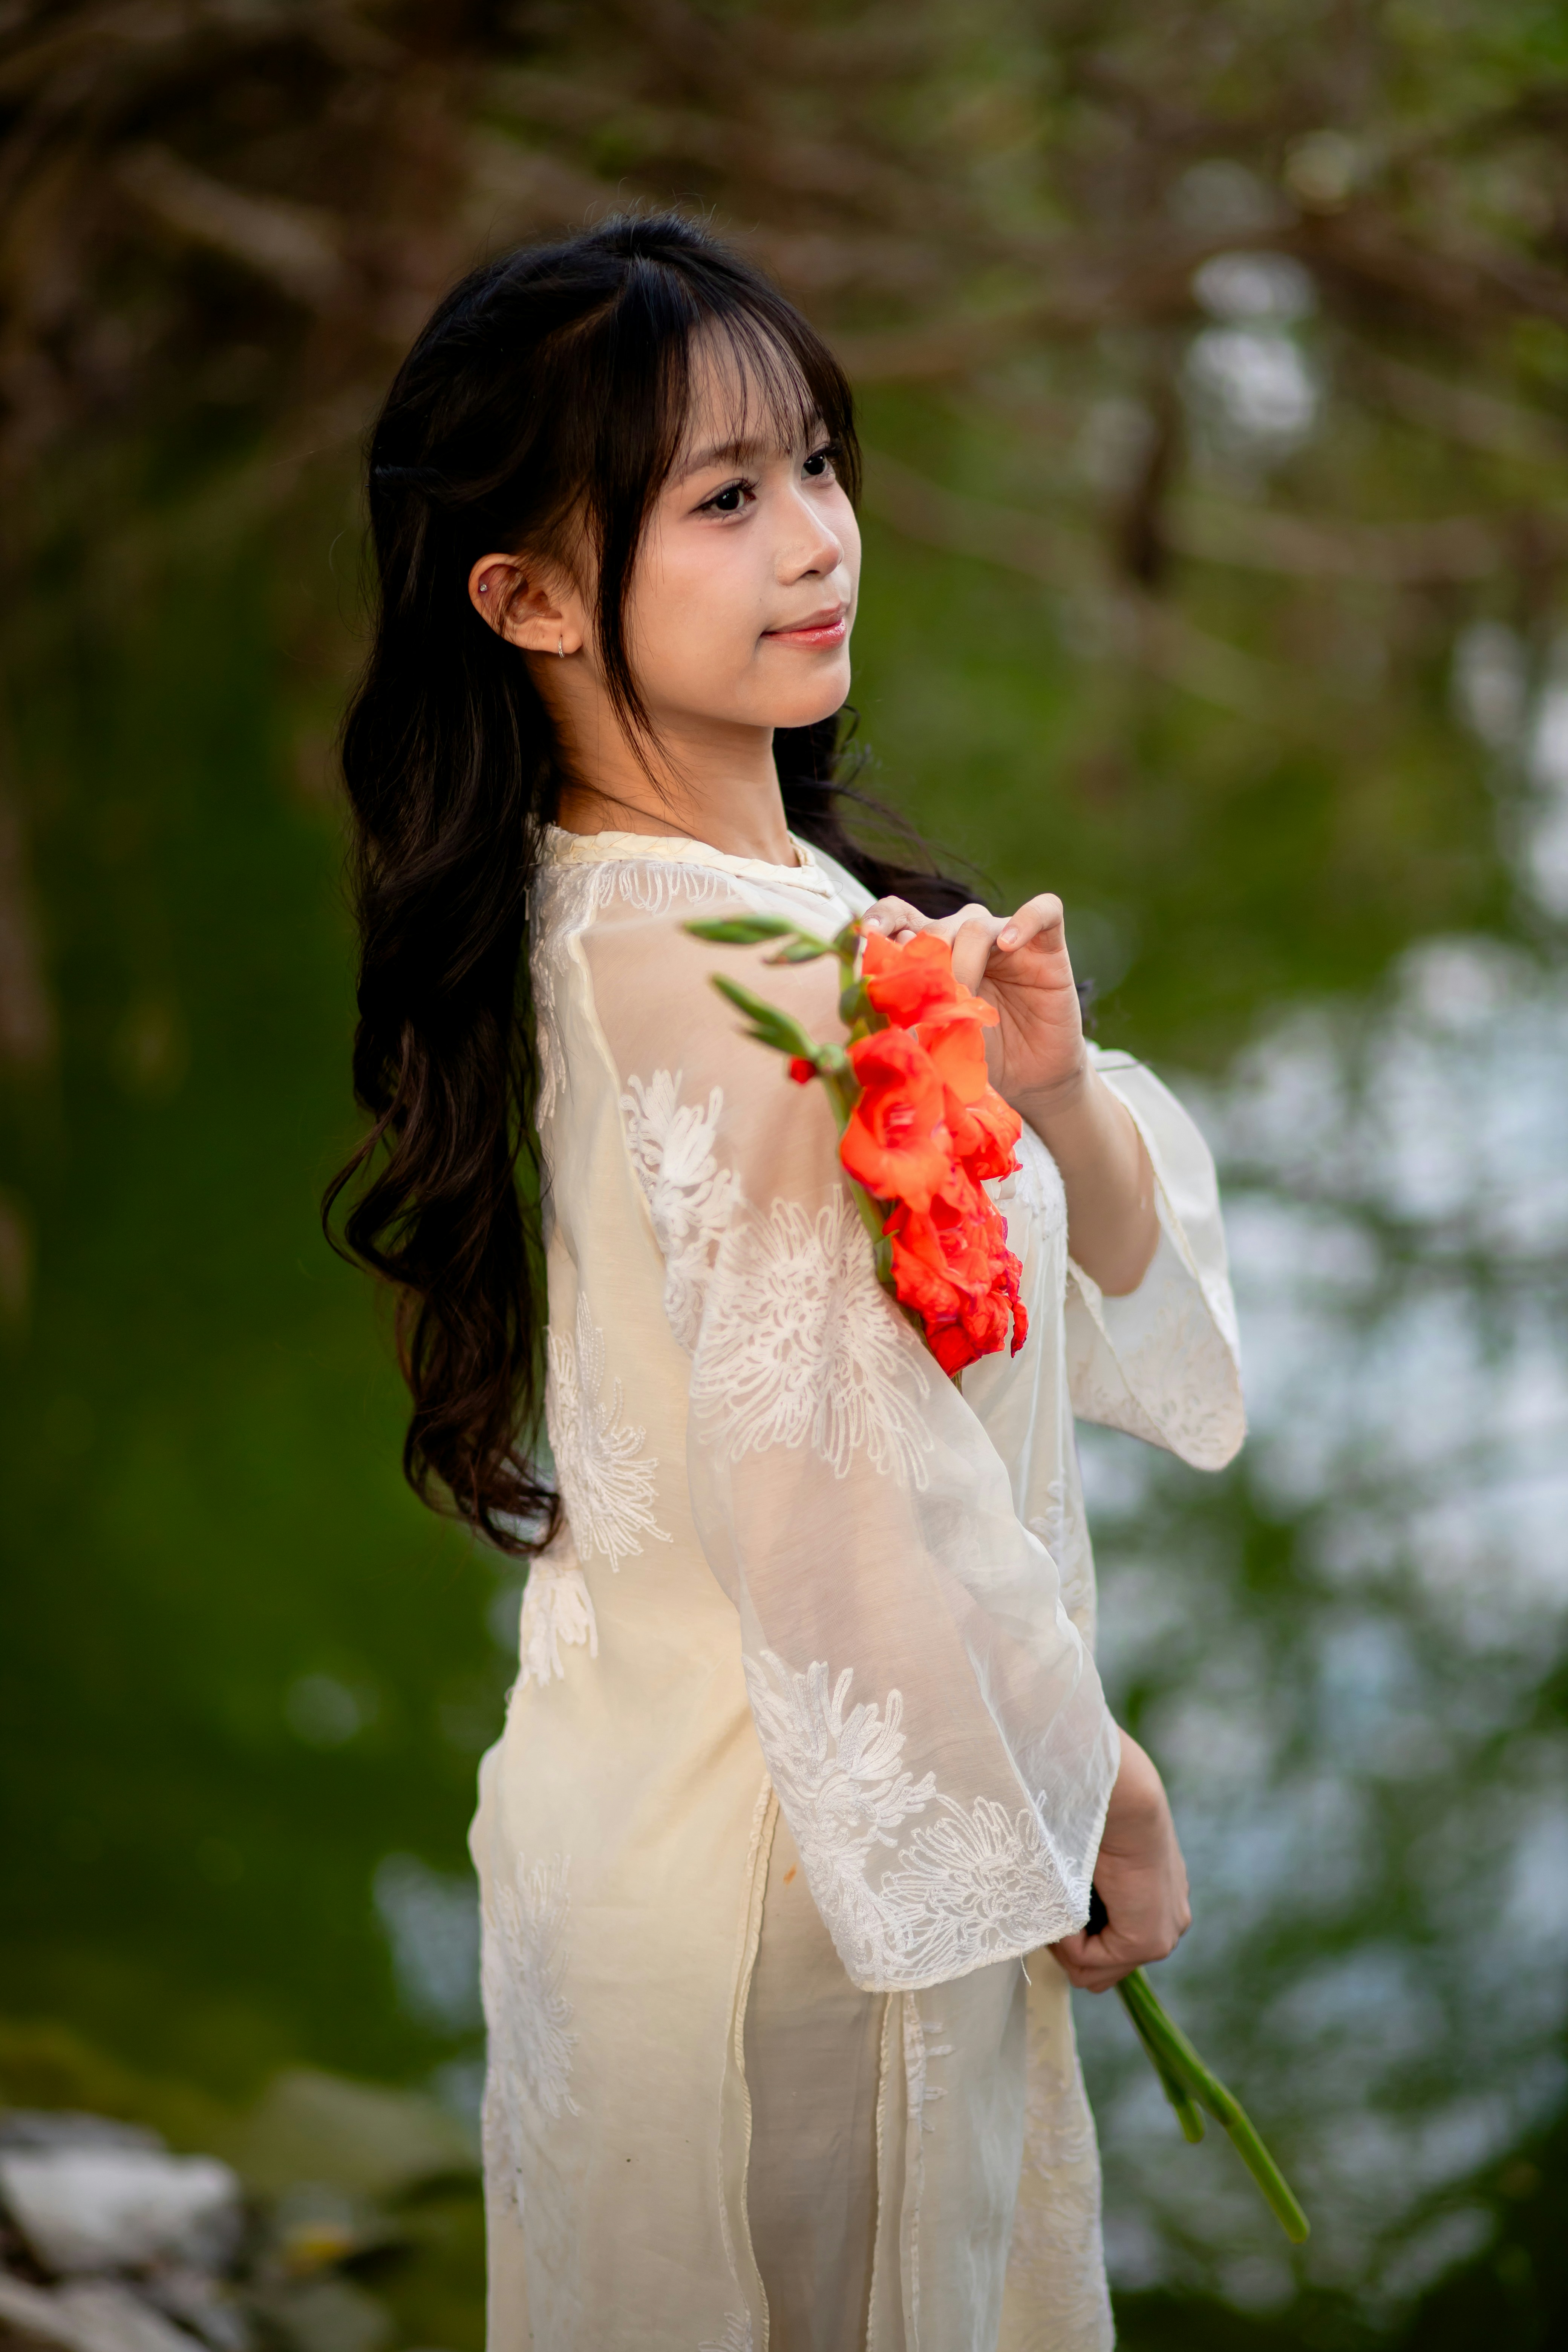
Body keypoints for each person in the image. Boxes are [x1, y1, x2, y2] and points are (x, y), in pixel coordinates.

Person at [329, 213, 1245, 2352]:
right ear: (531, 595)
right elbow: (834, 1508)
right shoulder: (745, 979)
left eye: (818, 465)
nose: (817, 540)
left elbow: (1076, 1272)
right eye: (724, 501)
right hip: (805, 1891)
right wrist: (1101, 1784)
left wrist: (1062, 1104)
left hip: (657, 1823)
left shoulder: (702, 915)